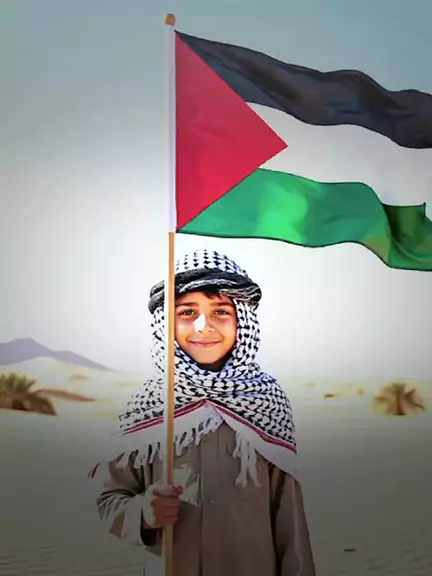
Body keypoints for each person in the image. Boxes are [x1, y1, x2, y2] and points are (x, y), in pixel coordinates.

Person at [90, 249, 316, 575]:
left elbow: (289, 521)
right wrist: (143, 514)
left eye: (221, 311)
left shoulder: (267, 402)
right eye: (187, 312)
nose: (203, 325)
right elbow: (107, 498)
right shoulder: (148, 404)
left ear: (242, 319)